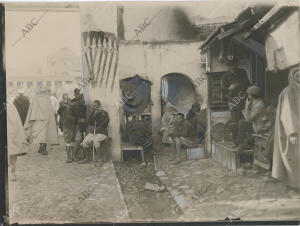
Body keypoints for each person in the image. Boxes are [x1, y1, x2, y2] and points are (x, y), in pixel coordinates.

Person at [272, 66, 300, 190]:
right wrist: (292, 132)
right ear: (292, 77)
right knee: (294, 159)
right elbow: (287, 113)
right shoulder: (288, 92)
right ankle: (293, 186)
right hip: (292, 133)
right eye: (297, 75)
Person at [24, 86, 58, 155]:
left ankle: (42, 148)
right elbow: (50, 109)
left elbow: (31, 109)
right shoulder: (47, 98)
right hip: (46, 119)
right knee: (44, 134)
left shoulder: (35, 98)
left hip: (37, 118)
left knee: (40, 134)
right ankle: (43, 148)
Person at [7, 103, 27, 181]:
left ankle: (12, 171)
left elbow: (16, 122)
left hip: (10, 132)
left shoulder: (9, 106)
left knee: (12, 151)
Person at [69, 88, 87, 159]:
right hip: (76, 125)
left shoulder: (82, 104)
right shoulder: (73, 104)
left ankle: (79, 155)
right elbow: (69, 116)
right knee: (78, 139)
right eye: (79, 95)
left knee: (81, 139)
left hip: (82, 124)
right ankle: (73, 156)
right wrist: (77, 120)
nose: (82, 99)